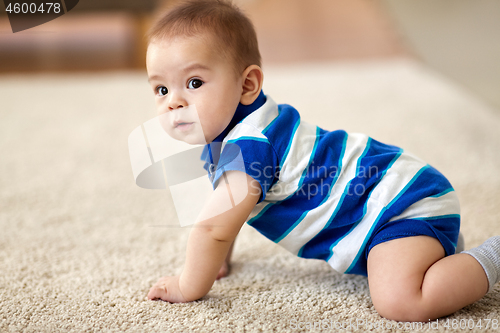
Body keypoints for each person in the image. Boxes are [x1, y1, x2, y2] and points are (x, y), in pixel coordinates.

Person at [144, 0, 500, 321]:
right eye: (162, 89)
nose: (174, 102)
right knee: (399, 276)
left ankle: (491, 255)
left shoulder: (250, 146)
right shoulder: (243, 131)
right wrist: (219, 258)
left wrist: (188, 285)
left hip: (398, 205)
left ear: (247, 85)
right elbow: (225, 214)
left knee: (401, 302)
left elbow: (212, 229)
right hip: (395, 193)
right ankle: (437, 252)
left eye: (193, 82)